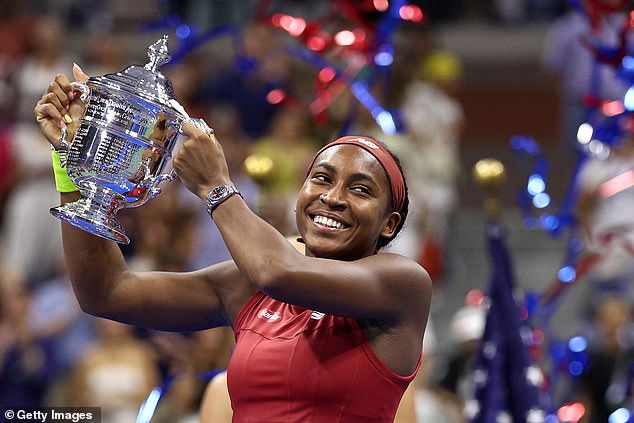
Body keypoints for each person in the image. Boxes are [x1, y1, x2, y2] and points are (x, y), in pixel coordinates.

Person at [34, 65, 433, 422]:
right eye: (322, 178)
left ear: (389, 224)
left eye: (360, 189)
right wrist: (73, 166)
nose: (333, 197)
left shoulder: (401, 283)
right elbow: (106, 292)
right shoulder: (248, 285)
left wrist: (216, 186)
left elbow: (276, 271)